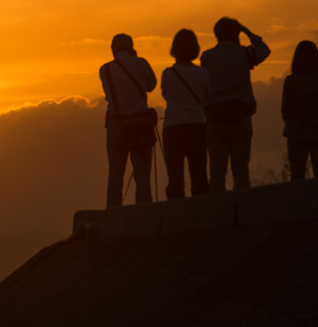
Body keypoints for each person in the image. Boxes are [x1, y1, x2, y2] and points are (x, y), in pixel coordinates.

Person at [200, 17, 270, 191]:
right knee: (241, 171)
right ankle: (243, 206)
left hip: (215, 120)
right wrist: (246, 30)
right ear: (236, 33)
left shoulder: (207, 57)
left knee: (217, 173)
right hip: (241, 118)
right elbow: (264, 50)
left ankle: (218, 206)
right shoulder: (244, 54)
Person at [100, 33, 157, 207]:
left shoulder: (105, 70)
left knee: (115, 174)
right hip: (139, 123)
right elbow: (151, 86)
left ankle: (113, 212)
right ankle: (143, 212)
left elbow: (109, 95)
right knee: (142, 175)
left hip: (115, 124)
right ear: (131, 47)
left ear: (113, 49)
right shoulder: (141, 63)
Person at [161, 29, 210, 199]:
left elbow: (165, 95)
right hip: (197, 125)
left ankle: (176, 211)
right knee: (199, 174)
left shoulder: (168, 74)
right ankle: (201, 209)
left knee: (175, 177)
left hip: (173, 127)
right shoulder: (203, 73)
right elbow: (206, 96)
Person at [281, 40, 318, 179]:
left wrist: (294, 122)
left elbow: (285, 110)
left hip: (297, 132)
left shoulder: (291, 81)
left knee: (297, 177)